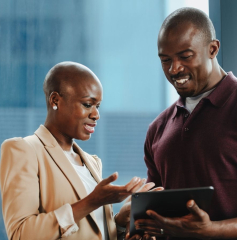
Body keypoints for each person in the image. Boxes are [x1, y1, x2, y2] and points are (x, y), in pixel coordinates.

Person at [134, 7, 237, 240]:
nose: (174, 69)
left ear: (212, 49)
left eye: (185, 57)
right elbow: (156, 209)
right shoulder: (158, 129)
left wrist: (211, 231)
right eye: (166, 60)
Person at [0, 62, 157, 240]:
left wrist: (121, 222)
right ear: (55, 100)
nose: (96, 115)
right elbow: (21, 234)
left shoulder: (92, 162)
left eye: (97, 106)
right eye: (87, 104)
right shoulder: (23, 150)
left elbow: (93, 231)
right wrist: (92, 201)